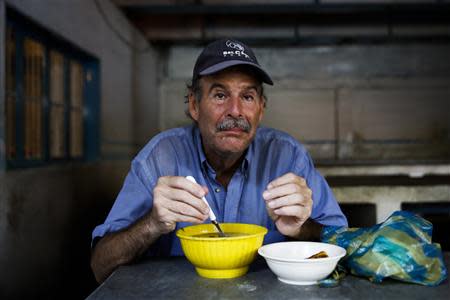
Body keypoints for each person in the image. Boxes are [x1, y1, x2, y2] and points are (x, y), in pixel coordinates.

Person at [90, 38, 347, 283]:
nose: (235, 111)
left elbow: (345, 245)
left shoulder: (288, 157)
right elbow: (100, 267)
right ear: (194, 105)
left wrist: (303, 229)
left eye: (247, 97)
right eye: (220, 95)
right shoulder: (160, 157)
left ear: (261, 110)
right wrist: (152, 223)